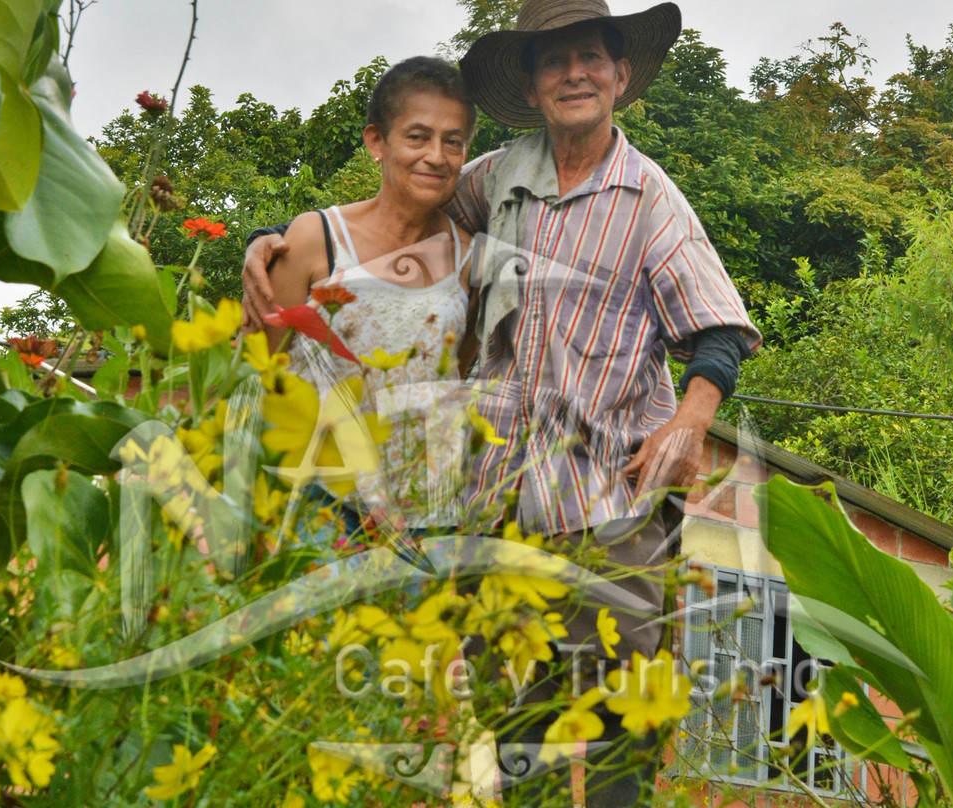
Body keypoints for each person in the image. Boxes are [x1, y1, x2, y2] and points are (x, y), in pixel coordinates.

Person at [244, 1, 761, 800]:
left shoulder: (650, 197)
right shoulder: (495, 176)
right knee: (519, 721)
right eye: (554, 61)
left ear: (621, 74)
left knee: (620, 717)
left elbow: (720, 330)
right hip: (498, 505)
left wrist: (691, 424)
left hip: (611, 504)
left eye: (591, 56)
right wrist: (280, 236)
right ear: (532, 82)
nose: (575, 73)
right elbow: (396, 210)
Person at [251, 56, 479, 537]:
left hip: (426, 519)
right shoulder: (316, 238)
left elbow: (452, 375)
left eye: (453, 141)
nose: (436, 156)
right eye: (417, 136)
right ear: (377, 141)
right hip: (320, 511)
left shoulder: (469, 259)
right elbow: (256, 378)